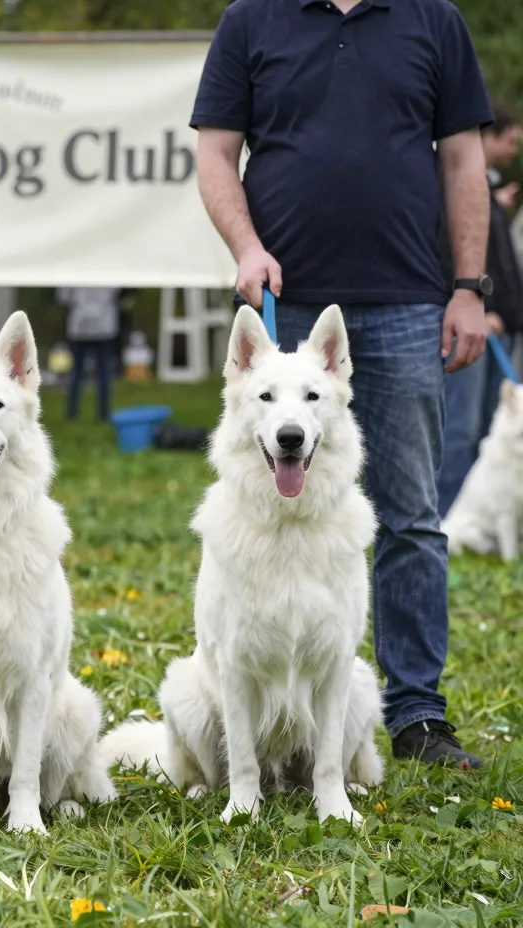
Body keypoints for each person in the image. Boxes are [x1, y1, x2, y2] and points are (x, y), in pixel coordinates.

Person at [192, 0, 492, 769]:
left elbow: (463, 161)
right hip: (283, 297)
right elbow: (217, 154)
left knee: (412, 515)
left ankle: (418, 714)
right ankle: (257, 703)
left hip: (407, 300)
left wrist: (468, 285)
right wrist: (246, 246)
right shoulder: (250, 21)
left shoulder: (436, 21)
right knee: (262, 509)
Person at [437, 105, 523, 516]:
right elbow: (458, 251)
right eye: (510, 141)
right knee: (462, 429)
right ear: (485, 137)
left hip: (501, 330)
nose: (514, 151)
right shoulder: (455, 190)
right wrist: (477, 303)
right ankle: (449, 519)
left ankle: (483, 514)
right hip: (477, 326)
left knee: (492, 430)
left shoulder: (486, 192)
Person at [57, 286, 121, 422]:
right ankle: (103, 414)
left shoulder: (72, 268)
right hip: (104, 324)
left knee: (76, 371)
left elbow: (63, 297)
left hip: (80, 324)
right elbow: (116, 292)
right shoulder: (110, 267)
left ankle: (72, 413)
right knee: (103, 372)